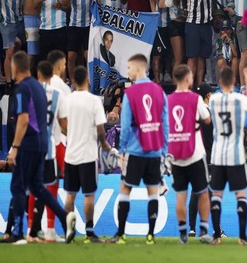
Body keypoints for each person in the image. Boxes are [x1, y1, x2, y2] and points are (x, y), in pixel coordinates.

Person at [3, 51, 75, 244]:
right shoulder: (39, 88)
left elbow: (23, 119)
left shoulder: (22, 89)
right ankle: (64, 216)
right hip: (44, 144)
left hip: (28, 144)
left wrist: (15, 147)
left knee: (17, 186)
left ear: (14, 68)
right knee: (38, 187)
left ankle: (17, 233)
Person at [109, 54, 168, 245]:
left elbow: (125, 126)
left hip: (134, 151)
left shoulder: (131, 94)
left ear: (137, 68)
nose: (127, 72)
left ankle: (121, 233)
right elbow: (165, 124)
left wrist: (122, 149)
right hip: (154, 151)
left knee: (125, 188)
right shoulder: (159, 91)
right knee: (153, 191)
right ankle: (150, 235)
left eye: (128, 68)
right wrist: (164, 150)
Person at [58, 65, 110, 244]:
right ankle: (89, 232)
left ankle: (68, 231)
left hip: (70, 154)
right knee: (89, 195)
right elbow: (101, 129)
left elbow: (60, 121)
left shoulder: (67, 100)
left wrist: (70, 133)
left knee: (70, 195)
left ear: (73, 81)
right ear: (87, 80)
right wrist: (104, 144)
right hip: (88, 155)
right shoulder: (94, 100)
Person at [208, 66, 247, 245]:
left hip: (218, 155)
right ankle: (242, 237)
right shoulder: (239, 99)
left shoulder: (213, 100)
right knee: (241, 195)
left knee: (216, 195)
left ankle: (217, 236)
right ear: (234, 82)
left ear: (219, 82)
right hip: (236, 156)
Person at [166, 64, 211, 244]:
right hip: (195, 153)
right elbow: (207, 119)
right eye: (191, 76)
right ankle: (204, 231)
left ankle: (183, 233)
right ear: (187, 78)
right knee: (202, 193)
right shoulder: (195, 99)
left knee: (181, 196)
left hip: (176, 154)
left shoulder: (168, 100)